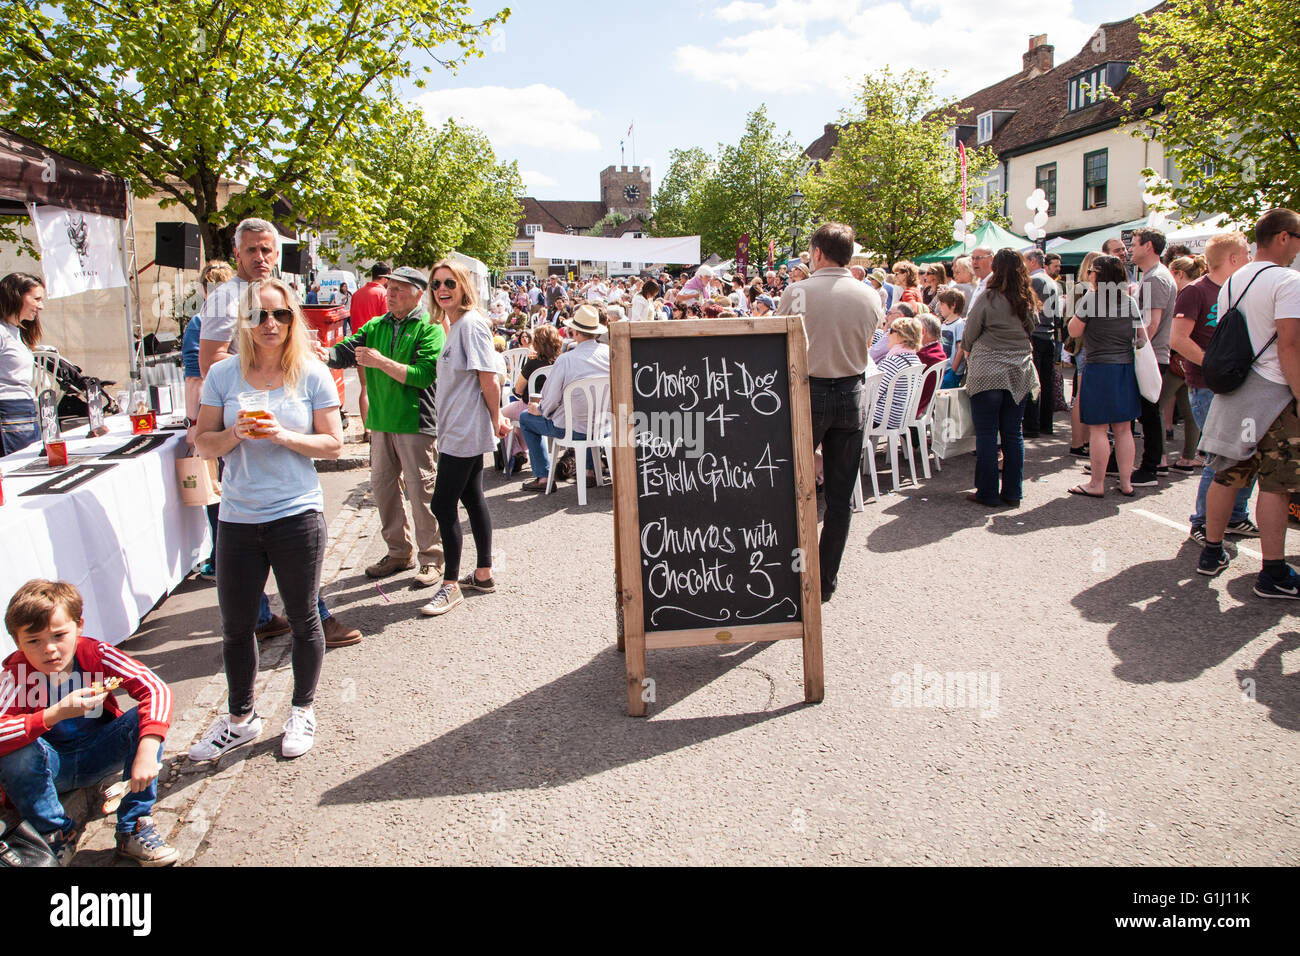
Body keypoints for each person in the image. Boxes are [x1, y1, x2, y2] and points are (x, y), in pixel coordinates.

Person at [190, 278, 342, 761]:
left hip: (296, 512)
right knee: (236, 626)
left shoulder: (312, 374)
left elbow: (334, 443)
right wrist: (233, 433)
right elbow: (202, 443)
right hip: (237, 517)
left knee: (303, 619)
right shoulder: (223, 375)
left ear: (293, 320)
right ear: (245, 323)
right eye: (259, 316)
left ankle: (302, 709)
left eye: (279, 315)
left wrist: (283, 436)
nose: (269, 324)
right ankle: (240, 718)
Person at [197, 218, 360, 648]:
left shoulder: (282, 289)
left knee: (293, 537)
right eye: (252, 250)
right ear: (237, 254)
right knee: (249, 550)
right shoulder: (225, 298)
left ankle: (285, 616)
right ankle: (281, 617)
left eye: (267, 249)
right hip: (245, 429)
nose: (261, 258)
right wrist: (234, 408)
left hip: (286, 435)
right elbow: (211, 360)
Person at [1, 579, 179, 865]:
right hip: (50, 764)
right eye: (33, 641)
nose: (49, 650)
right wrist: (54, 714)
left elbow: (155, 688)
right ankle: (57, 833)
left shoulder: (95, 654)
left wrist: (147, 750)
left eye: (59, 635)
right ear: (17, 642)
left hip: (100, 751)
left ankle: (132, 827)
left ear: (79, 626)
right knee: (16, 747)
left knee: (142, 721)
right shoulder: (15, 674)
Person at [776, 222, 882, 603]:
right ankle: (825, 579)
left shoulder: (798, 291)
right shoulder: (869, 295)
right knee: (840, 497)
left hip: (810, 390)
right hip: (851, 392)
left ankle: (789, 570)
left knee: (791, 486)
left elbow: (780, 340)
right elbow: (868, 343)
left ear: (818, 253)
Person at [1196, 209, 1300, 593]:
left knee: (1228, 475)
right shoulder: (1289, 281)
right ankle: (1272, 573)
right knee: (1276, 484)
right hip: (1275, 392)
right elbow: (1289, 345)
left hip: (1237, 390)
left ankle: (1210, 551)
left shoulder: (1235, 279)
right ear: (1284, 237)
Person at [327, 266, 446, 588]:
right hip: (380, 422)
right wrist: (315, 351)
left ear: (418, 294)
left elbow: (423, 375)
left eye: (398, 290)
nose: (390, 295)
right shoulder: (376, 325)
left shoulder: (430, 327)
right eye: (389, 288)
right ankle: (398, 552)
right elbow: (340, 353)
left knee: (422, 493)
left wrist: (380, 362)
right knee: (384, 491)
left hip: (414, 423)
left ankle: (432, 558)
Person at [420, 259, 509, 617]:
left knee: (442, 505)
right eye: (436, 284)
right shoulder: (452, 325)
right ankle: (483, 574)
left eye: (449, 284)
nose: (442, 289)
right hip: (456, 427)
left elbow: (489, 378)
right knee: (472, 497)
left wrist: (495, 416)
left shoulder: (470, 324)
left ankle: (450, 584)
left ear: (463, 288)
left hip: (466, 429)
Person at [1169, 231, 1256, 542]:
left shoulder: (1241, 289)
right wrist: (1213, 365)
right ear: (1232, 259)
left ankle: (1234, 517)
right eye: (1247, 253)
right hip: (1207, 385)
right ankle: (1203, 522)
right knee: (1220, 456)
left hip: (1240, 385)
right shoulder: (1196, 291)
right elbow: (1178, 339)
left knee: (1246, 454)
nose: (1251, 258)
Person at [962, 248, 1038, 507]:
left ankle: (987, 492)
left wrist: (969, 352)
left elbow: (970, 332)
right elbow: (1033, 327)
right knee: (1013, 434)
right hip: (1019, 370)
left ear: (996, 267)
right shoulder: (1026, 299)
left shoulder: (989, 297)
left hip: (988, 371)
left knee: (986, 435)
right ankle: (1013, 492)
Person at [1066, 255, 1142, 498]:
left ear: (1098, 275)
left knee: (1099, 429)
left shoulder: (1092, 299)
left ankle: (1097, 483)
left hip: (1099, 367)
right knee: (1123, 429)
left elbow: (1074, 330)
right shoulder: (1129, 301)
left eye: (1091, 272)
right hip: (1125, 367)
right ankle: (1126, 482)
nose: (1088, 275)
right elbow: (1141, 337)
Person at [518, 304, 611, 492]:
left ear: (575, 332)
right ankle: (588, 471)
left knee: (526, 419)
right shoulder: (610, 355)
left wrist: (541, 410)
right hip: (604, 426)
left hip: (574, 429)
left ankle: (543, 476)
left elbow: (550, 399)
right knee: (583, 415)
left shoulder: (566, 360)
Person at [182, 260, 236, 580]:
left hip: (212, 417)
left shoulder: (200, 322)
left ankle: (220, 559)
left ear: (204, 288)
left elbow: (195, 380)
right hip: (233, 413)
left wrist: (193, 423)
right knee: (229, 488)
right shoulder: (238, 320)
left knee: (215, 492)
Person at [1130, 227, 1178, 487]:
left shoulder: (1155, 278)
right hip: (1152, 352)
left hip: (1151, 354)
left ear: (1148, 246)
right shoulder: (1152, 276)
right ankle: (1151, 464)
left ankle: (1150, 467)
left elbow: (1153, 322)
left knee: (1150, 412)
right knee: (1149, 412)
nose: (1131, 249)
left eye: (1135, 244)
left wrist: (1138, 350)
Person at [0, 272, 45, 456]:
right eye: (36, 299)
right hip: (8, 414)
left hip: (23, 410)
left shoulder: (15, 332)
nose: (41, 306)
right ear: (17, 296)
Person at [349, 262, 392, 442]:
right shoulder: (383, 294)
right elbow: (388, 321)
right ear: (384, 277)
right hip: (379, 349)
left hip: (359, 346)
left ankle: (367, 428)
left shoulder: (357, 294)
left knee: (365, 388)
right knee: (382, 389)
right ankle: (381, 428)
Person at [1022, 247, 1063, 438]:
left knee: (1035, 382)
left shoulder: (1036, 281)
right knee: (1046, 382)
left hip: (1037, 335)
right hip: (1049, 334)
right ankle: (1046, 423)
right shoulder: (1051, 282)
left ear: (1032, 261)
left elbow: (1028, 307)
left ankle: (1032, 424)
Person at [874, 316, 923, 428]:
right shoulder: (915, 360)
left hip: (884, 419)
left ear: (901, 336)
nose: (887, 334)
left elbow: (874, 393)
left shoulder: (893, 361)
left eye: (891, 330)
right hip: (902, 418)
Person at [936, 288, 967, 388]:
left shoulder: (959, 324)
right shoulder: (944, 324)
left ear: (953, 305)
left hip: (952, 371)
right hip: (943, 368)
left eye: (942, 304)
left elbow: (960, 350)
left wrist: (953, 371)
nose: (939, 307)